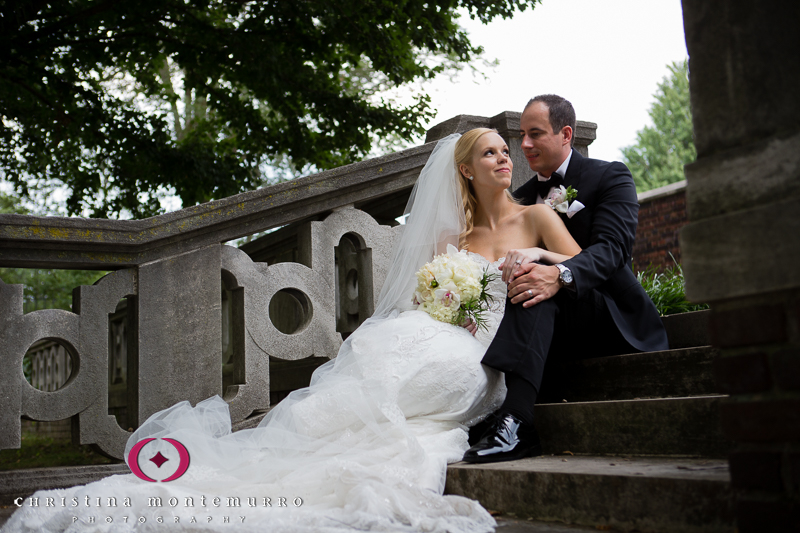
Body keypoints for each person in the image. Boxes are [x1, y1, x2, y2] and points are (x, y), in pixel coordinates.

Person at [1, 129, 579, 533]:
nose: (507, 159)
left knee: (422, 381)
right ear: (465, 169)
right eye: (492, 153)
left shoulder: (538, 215)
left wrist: (538, 257)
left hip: (489, 346)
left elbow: (582, 266)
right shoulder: (451, 234)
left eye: (508, 151)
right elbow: (426, 292)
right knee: (375, 363)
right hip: (445, 330)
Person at [463, 95, 670, 464]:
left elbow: (613, 251)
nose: (523, 145)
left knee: (537, 280)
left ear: (566, 134)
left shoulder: (609, 175)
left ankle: (518, 421)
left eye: (535, 134)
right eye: (522, 135)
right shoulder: (522, 199)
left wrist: (557, 272)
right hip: (553, 328)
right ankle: (492, 410)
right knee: (529, 281)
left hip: (609, 314)